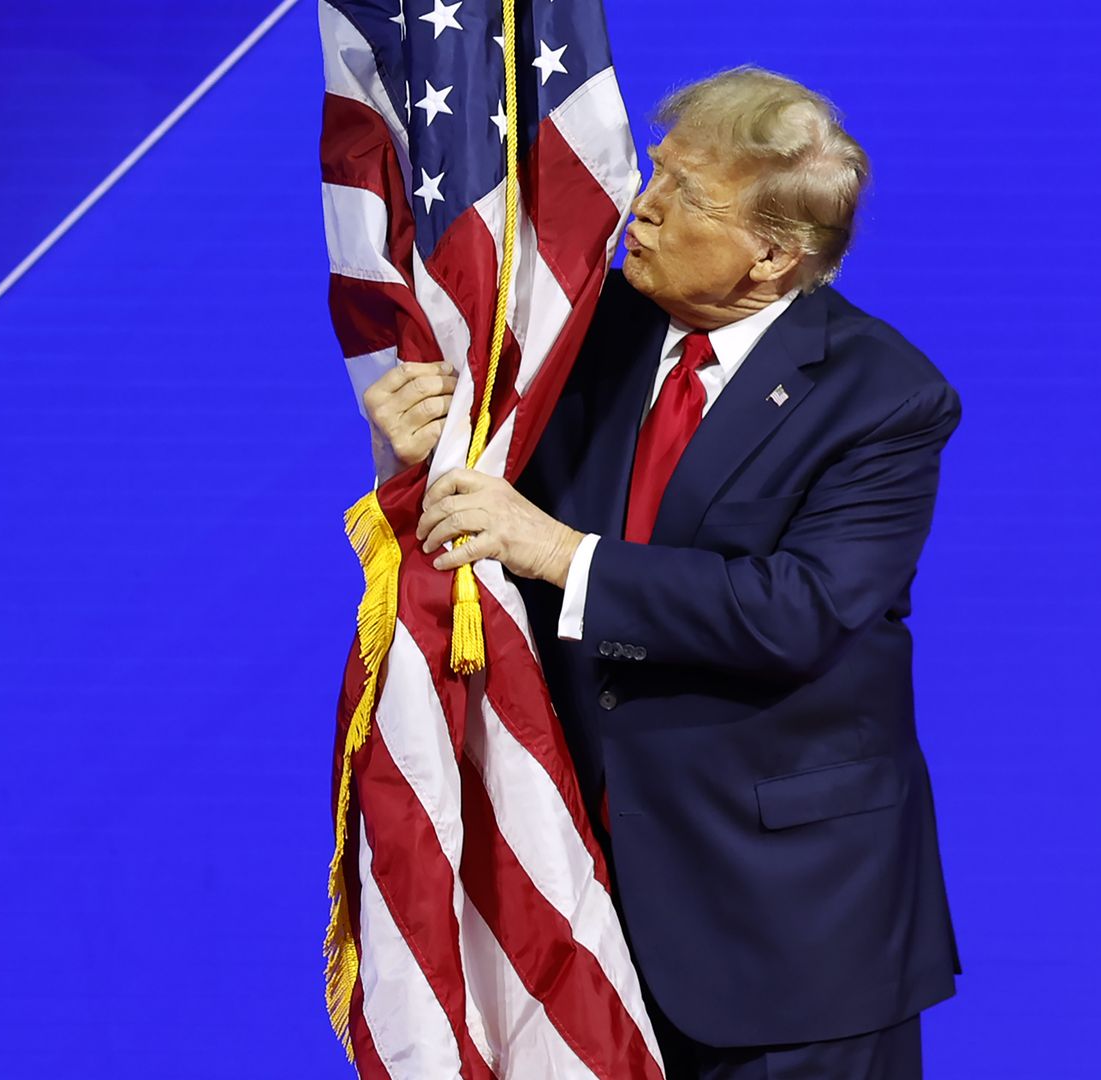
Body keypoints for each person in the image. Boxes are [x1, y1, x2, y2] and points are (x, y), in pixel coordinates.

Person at [365, 66, 962, 1079]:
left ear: (773, 255)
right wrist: (419, 451)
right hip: (572, 898)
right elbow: (482, 520)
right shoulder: (570, 334)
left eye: (687, 194)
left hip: (786, 933)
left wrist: (561, 553)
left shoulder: (884, 398)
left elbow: (801, 612)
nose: (642, 206)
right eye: (657, 172)